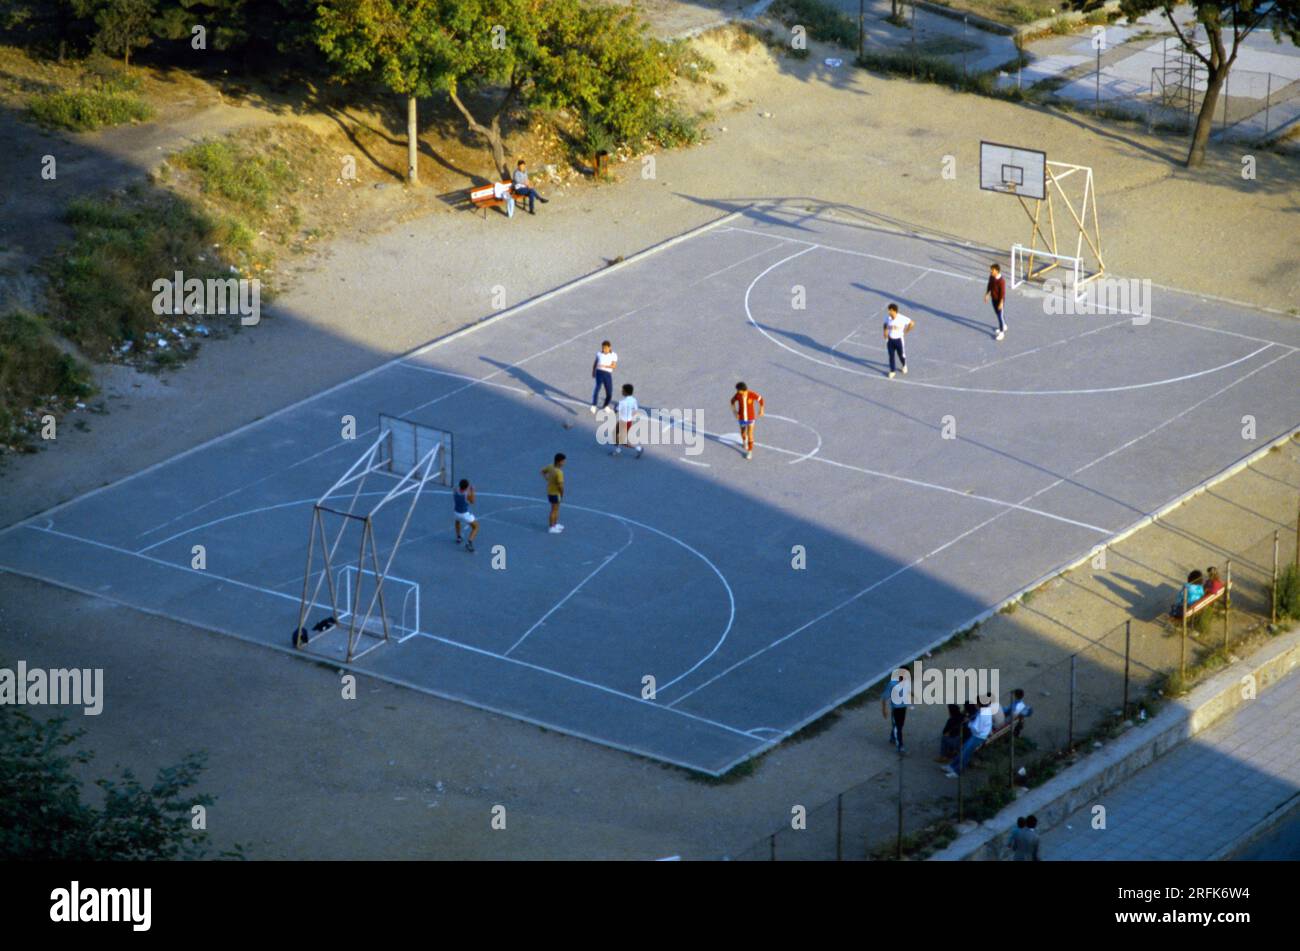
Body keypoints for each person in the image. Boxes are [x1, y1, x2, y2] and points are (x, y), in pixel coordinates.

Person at [945, 693, 998, 777]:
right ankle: (952, 766)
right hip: (978, 735)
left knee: (966, 752)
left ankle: (957, 771)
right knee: (964, 749)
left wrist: (969, 723)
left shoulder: (982, 714)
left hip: (978, 736)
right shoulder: (985, 711)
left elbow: (977, 729)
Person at [730, 382, 764, 460]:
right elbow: (732, 402)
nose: (737, 392)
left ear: (741, 390)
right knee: (743, 433)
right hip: (741, 418)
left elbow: (760, 399)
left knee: (750, 434)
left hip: (751, 418)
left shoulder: (751, 394)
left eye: (738, 390)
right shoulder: (738, 395)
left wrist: (761, 409)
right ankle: (744, 442)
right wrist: (735, 412)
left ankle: (750, 451)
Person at [881, 668, 911, 754]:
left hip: (903, 707)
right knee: (898, 727)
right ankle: (900, 746)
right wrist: (884, 709)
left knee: (900, 725)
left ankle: (893, 737)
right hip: (896, 709)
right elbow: (885, 697)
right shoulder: (892, 684)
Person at [882, 303, 915, 379]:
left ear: (894, 311)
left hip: (899, 340)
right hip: (890, 340)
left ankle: (904, 365)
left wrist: (905, 331)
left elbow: (912, 323)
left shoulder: (902, 318)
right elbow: (885, 324)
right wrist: (885, 332)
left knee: (901, 355)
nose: (888, 312)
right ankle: (892, 371)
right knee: (891, 356)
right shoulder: (888, 318)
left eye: (890, 311)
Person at [611, 383, 644, 458]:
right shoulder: (633, 400)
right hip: (628, 421)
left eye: (622, 390)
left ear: (625, 392)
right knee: (615, 434)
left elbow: (615, 411)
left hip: (623, 422)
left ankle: (638, 448)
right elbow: (635, 410)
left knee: (622, 441)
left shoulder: (622, 402)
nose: (621, 391)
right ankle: (617, 449)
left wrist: (615, 406)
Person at [541, 453, 566, 534]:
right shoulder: (559, 473)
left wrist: (547, 479)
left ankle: (555, 524)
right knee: (554, 510)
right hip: (555, 493)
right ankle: (551, 527)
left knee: (556, 509)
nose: (564, 463)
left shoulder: (551, 466)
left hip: (550, 491)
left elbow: (542, 471)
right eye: (563, 461)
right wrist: (562, 494)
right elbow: (560, 486)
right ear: (559, 462)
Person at [590, 341, 617, 415]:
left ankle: (605, 405)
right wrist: (593, 371)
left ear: (609, 347)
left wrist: (605, 366)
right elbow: (595, 363)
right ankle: (594, 405)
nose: (604, 350)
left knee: (609, 392)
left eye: (605, 348)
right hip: (599, 373)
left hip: (607, 374)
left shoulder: (613, 355)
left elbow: (614, 366)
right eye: (603, 348)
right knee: (597, 388)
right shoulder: (599, 354)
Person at [452, 478, 479, 552]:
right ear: (467, 487)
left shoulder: (455, 490)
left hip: (456, 512)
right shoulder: (467, 495)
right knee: (476, 527)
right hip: (464, 514)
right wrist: (472, 491)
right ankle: (469, 542)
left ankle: (458, 537)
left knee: (457, 521)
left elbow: (457, 488)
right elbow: (472, 501)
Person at [983, 262, 1007, 341]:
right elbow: (989, 285)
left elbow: (1002, 293)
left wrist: (1001, 303)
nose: (991, 272)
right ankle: (1004, 325)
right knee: (998, 314)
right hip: (993, 298)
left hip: (1000, 300)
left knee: (1000, 315)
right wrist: (987, 294)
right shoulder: (991, 277)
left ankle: (1001, 332)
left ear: (997, 271)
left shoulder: (1001, 281)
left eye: (992, 270)